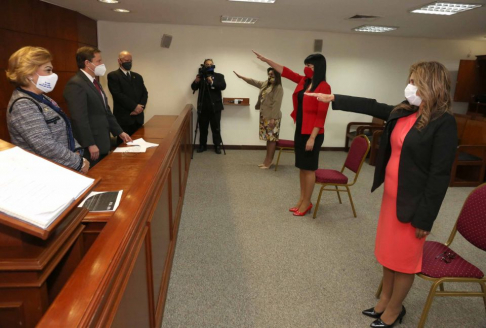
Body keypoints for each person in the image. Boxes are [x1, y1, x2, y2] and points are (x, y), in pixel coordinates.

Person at [307, 61, 457, 328]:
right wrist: (334, 98)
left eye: (415, 82)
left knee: (404, 260)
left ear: (431, 85)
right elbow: (373, 106)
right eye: (409, 81)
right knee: (388, 254)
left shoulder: (443, 123)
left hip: (413, 204)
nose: (409, 87)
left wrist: (426, 218)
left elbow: (439, 175)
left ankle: (395, 309)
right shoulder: (405, 111)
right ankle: (384, 301)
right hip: (392, 198)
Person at [253, 50, 331, 216]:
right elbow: (286, 71)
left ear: (318, 67)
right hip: (301, 130)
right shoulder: (304, 81)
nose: (306, 68)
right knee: (302, 168)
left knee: (309, 169)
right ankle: (302, 199)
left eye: (309, 65)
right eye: (306, 65)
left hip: (313, 134)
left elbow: (321, 116)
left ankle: (307, 202)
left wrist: (312, 137)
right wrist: (267, 60)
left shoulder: (324, 87)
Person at [6, 46, 89, 174]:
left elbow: (64, 129)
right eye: (48, 70)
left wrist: (76, 150)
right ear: (28, 73)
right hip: (45, 172)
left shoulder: (42, 97)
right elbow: (44, 145)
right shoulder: (23, 104)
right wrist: (78, 162)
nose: (53, 75)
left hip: (61, 166)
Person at [64, 46, 132, 167]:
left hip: (103, 141)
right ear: (87, 63)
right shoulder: (76, 84)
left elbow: (106, 111)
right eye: (99, 61)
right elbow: (79, 118)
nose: (102, 64)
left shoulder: (95, 82)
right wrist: (90, 143)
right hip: (92, 145)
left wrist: (120, 132)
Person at [234, 68, 284, 168]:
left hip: (272, 117)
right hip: (264, 116)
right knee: (268, 139)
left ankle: (268, 162)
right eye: (269, 74)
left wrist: (273, 119)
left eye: (273, 74)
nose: (270, 76)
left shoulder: (278, 88)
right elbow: (254, 82)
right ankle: (267, 160)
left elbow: (276, 104)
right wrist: (242, 77)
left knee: (271, 139)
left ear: (277, 76)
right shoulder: (266, 84)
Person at [107, 50, 148, 140]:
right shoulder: (113, 76)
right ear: (119, 61)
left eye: (130, 61)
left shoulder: (137, 76)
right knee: (124, 148)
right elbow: (118, 95)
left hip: (138, 119)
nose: (129, 63)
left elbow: (144, 93)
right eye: (126, 61)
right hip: (124, 119)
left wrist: (140, 108)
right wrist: (134, 107)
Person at [191, 59, 226, 154]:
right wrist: (196, 81)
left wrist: (212, 82)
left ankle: (217, 145)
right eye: (207, 64)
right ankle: (202, 145)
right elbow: (193, 88)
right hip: (203, 107)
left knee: (216, 127)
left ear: (213, 65)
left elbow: (223, 86)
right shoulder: (201, 77)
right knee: (203, 128)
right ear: (204, 65)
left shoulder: (219, 76)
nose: (209, 66)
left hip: (216, 107)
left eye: (211, 64)